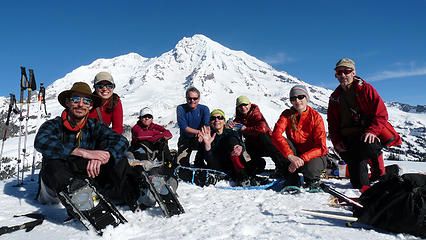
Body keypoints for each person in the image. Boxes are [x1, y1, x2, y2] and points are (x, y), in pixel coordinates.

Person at [35, 82, 141, 211]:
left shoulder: (94, 125)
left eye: (86, 101)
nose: (81, 104)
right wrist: (82, 152)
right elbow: (41, 141)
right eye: (75, 100)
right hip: (58, 183)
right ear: (67, 102)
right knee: (53, 162)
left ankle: (134, 195)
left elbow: (121, 140)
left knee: (117, 156)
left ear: (90, 106)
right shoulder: (53, 125)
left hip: (87, 176)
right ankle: (77, 197)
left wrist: (106, 154)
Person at [327, 58, 401, 189]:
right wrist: (337, 142)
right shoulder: (335, 98)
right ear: (335, 75)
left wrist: (372, 131)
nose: (343, 75)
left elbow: (381, 113)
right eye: (339, 72)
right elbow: (332, 124)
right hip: (349, 140)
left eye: (346, 71)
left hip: (366, 135)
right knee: (359, 184)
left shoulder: (366, 89)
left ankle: (381, 175)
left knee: (369, 143)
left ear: (353, 72)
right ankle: (390, 171)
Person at [271, 85, 328, 190]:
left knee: (311, 169)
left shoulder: (316, 117)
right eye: (293, 98)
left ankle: (312, 179)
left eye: (300, 97)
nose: (297, 100)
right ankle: (292, 178)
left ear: (307, 98)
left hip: (313, 156)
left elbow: (321, 147)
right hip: (295, 156)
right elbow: (276, 135)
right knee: (281, 143)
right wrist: (290, 156)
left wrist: (302, 158)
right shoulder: (286, 115)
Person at [228, 96, 291, 179]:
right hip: (254, 146)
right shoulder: (239, 118)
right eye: (240, 106)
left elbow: (263, 129)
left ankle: (282, 167)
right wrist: (230, 126)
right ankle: (257, 165)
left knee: (264, 137)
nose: (243, 107)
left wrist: (246, 129)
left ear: (250, 105)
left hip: (268, 144)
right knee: (245, 150)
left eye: (245, 104)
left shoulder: (256, 114)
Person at [195, 109, 256, 185]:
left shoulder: (231, 133)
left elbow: (242, 146)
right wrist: (207, 146)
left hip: (234, 162)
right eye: (213, 118)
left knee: (258, 162)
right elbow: (203, 158)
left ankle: (244, 174)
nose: (216, 120)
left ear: (224, 121)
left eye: (220, 117)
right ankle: (243, 176)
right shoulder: (206, 135)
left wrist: (239, 147)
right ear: (210, 122)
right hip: (218, 166)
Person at [176, 87, 210, 167]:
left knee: (206, 154)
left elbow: (206, 125)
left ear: (199, 99)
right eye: (189, 98)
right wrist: (199, 132)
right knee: (181, 163)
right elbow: (184, 127)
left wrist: (202, 135)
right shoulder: (181, 108)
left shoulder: (204, 109)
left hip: (200, 138)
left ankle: (201, 164)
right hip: (186, 139)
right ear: (186, 98)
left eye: (195, 98)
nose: (192, 101)